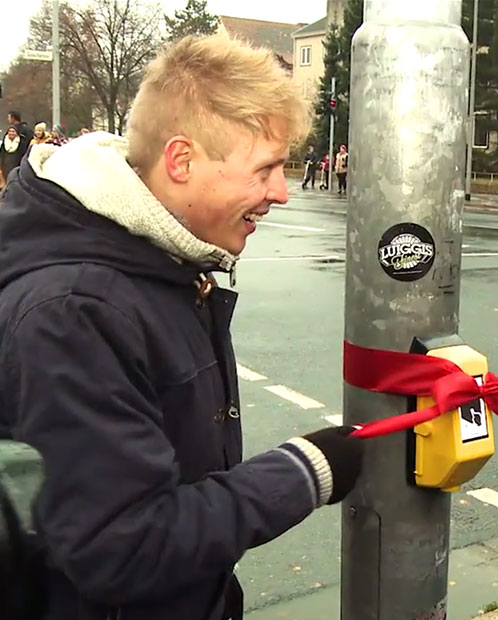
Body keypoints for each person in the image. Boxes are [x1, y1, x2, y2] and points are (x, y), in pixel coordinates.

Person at [0, 33, 364, 620]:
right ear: (181, 160)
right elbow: (124, 547)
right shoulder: (73, 311)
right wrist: (304, 472)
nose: (282, 193)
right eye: (266, 169)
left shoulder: (156, 261)